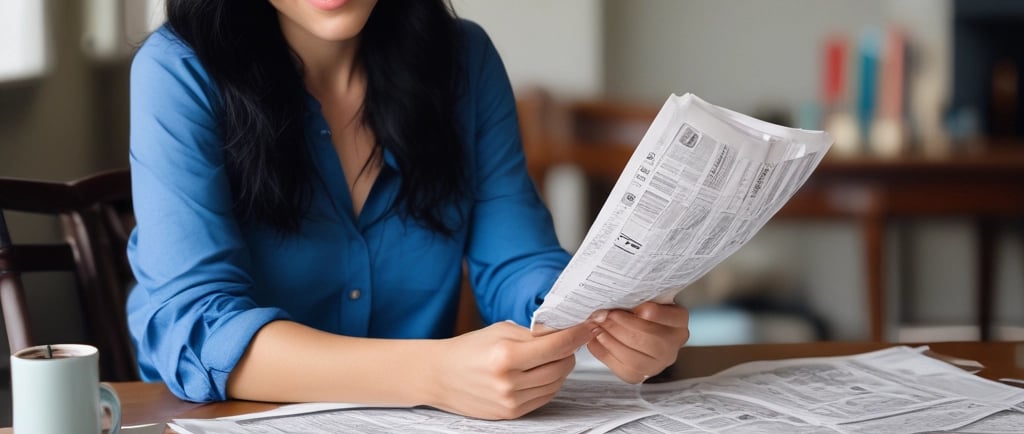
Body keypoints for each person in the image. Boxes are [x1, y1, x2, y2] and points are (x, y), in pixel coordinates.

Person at [127, 0, 690, 420]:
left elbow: (518, 262)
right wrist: (434, 374)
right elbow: (198, 330)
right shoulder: (178, 69)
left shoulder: (463, 61)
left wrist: (602, 317)